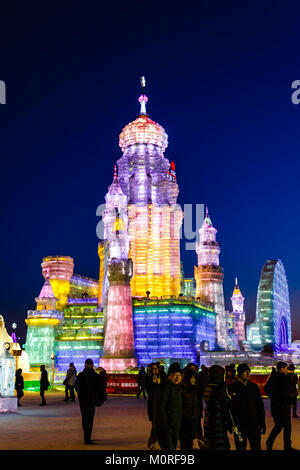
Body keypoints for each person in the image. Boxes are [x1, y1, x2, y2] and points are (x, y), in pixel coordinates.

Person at [228, 363, 266, 450]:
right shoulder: (232, 387)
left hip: (254, 424)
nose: (248, 374)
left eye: (249, 371)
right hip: (239, 424)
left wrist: (262, 422)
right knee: (240, 447)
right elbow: (229, 408)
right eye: (245, 372)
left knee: (256, 447)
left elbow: (260, 405)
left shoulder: (254, 387)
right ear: (240, 373)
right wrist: (230, 423)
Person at [264, 361, 296, 451]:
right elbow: (286, 393)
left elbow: (266, 389)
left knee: (279, 426)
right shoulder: (284, 378)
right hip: (283, 407)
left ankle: (270, 442)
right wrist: (290, 403)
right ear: (281, 369)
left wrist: (273, 398)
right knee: (286, 427)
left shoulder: (273, 377)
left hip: (276, 407)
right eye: (286, 368)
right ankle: (286, 446)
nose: (287, 370)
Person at [74, 358, 107, 444]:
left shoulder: (80, 375)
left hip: (82, 401)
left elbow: (76, 386)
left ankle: (86, 436)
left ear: (85, 365)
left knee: (84, 417)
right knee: (90, 418)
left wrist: (81, 394)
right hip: (91, 400)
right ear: (92, 365)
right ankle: (88, 437)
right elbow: (100, 388)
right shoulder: (95, 376)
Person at [153, 362, 182, 451]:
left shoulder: (178, 388)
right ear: (169, 375)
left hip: (175, 426)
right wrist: (164, 425)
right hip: (166, 427)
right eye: (174, 375)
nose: (177, 377)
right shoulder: (164, 388)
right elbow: (160, 408)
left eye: (179, 375)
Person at [203, 365, 231, 450]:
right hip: (218, 425)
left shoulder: (208, 387)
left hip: (209, 423)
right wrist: (235, 397)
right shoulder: (218, 389)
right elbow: (228, 403)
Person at [179, 367, 199, 450]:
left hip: (192, 422)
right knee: (185, 444)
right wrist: (186, 416)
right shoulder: (181, 389)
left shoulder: (193, 389)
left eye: (194, 377)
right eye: (192, 377)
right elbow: (179, 406)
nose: (193, 379)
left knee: (189, 444)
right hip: (184, 423)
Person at [145, 362, 162, 449]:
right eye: (153, 369)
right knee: (155, 425)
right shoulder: (148, 378)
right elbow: (148, 391)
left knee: (159, 425)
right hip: (152, 404)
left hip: (161, 404)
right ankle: (152, 441)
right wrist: (154, 383)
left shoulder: (163, 377)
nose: (155, 371)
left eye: (156, 369)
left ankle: (154, 441)